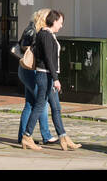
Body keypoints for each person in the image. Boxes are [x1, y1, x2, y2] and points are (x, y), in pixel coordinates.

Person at [29, 10, 81, 150]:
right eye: (60, 22)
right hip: (45, 76)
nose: (61, 26)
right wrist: (56, 79)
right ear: (54, 21)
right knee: (40, 106)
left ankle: (63, 137)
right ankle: (27, 136)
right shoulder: (45, 35)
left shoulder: (49, 35)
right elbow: (48, 59)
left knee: (56, 108)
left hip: (49, 76)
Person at [15, 9, 52, 150]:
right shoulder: (33, 30)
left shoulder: (33, 29)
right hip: (29, 69)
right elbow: (25, 47)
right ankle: (46, 136)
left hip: (27, 70)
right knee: (41, 102)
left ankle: (22, 137)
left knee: (30, 104)